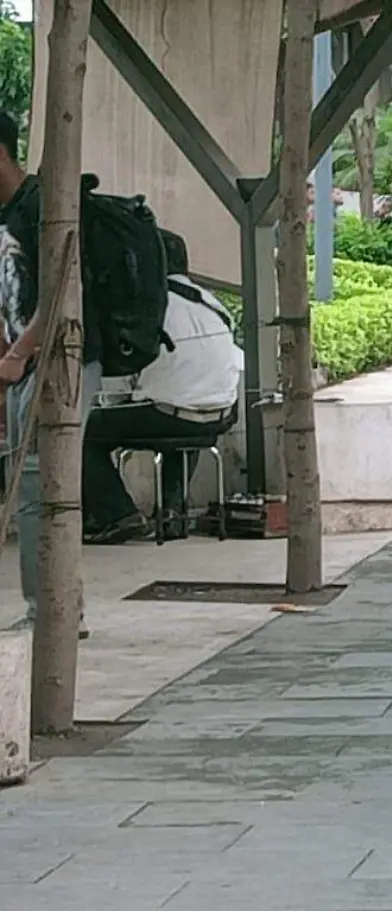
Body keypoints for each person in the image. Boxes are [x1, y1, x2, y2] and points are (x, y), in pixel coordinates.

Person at [0, 109, 105, 631]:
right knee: (29, 490)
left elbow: (62, 296)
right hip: (24, 370)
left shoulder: (45, 207)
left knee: (44, 488)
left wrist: (19, 352)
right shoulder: (6, 217)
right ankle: (46, 608)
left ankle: (55, 613)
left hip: (60, 364)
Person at [81, 231, 242, 545]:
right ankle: (172, 513)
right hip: (220, 415)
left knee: (79, 432)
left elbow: (122, 367)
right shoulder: (212, 302)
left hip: (168, 414)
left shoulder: (148, 305)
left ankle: (118, 514)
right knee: (187, 409)